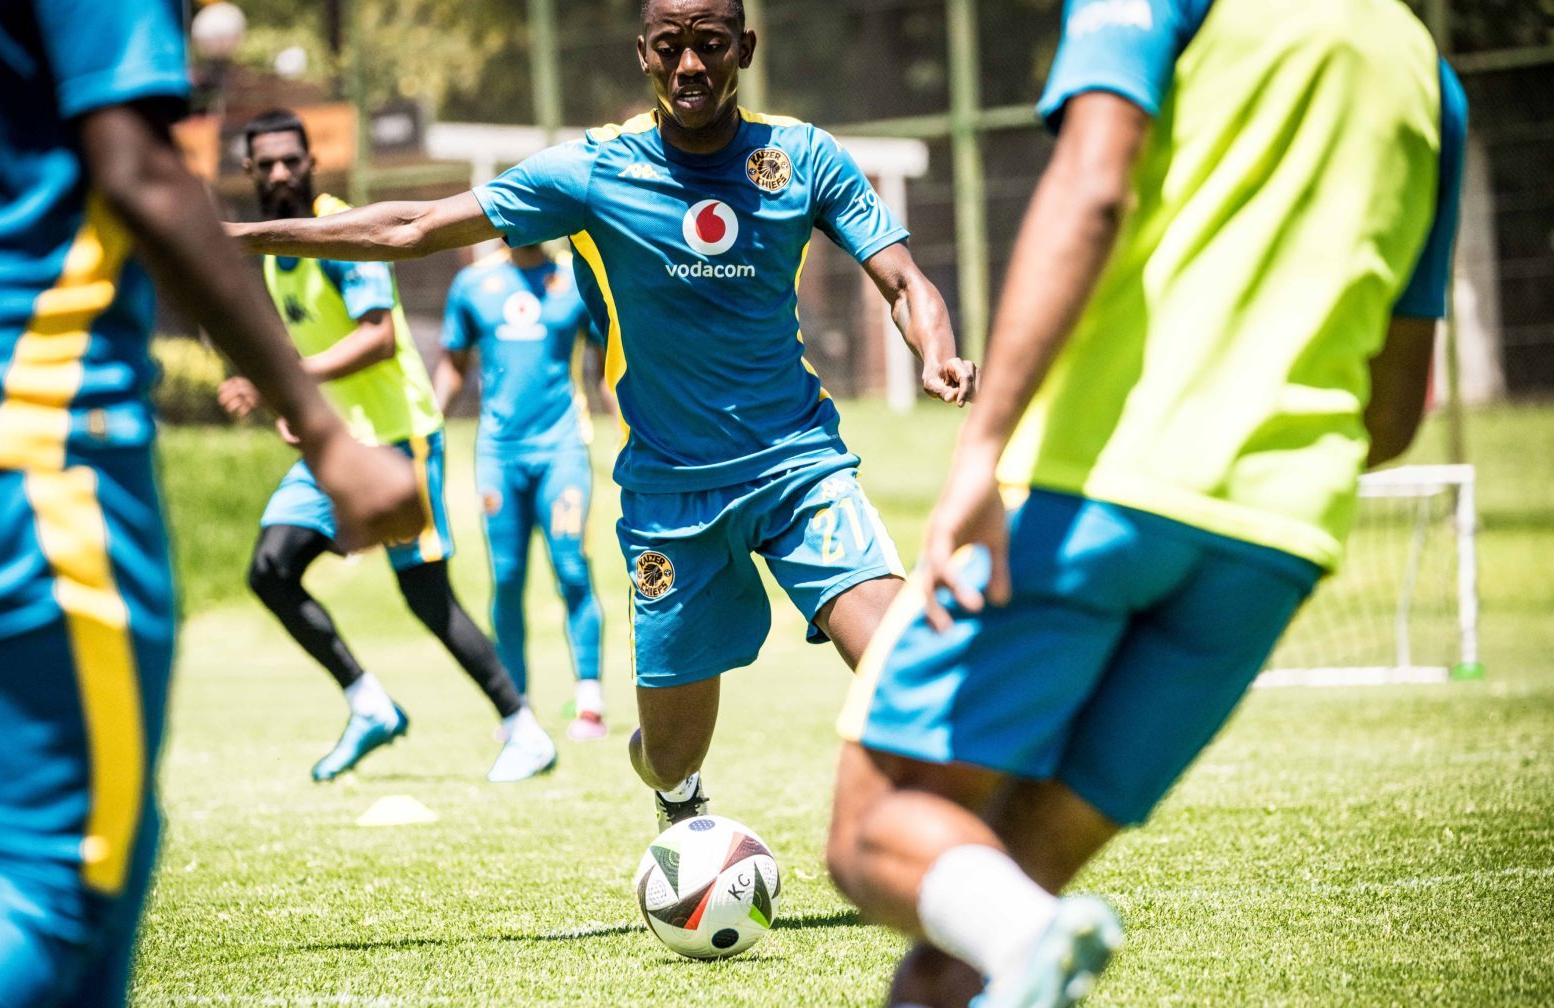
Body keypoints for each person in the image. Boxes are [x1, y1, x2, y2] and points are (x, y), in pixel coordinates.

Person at [823, 0, 1468, 1004]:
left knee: (875, 831)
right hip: (1273, 544)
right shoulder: (1430, 76)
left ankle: (1036, 939)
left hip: (1095, 494)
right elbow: (1391, 409)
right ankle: (1032, 941)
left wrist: (980, 450)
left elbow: (1091, 192)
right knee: (977, 927)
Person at [225, 0, 978, 829]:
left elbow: (903, 281)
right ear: (645, 56)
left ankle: (977, 844)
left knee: (898, 665)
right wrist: (240, 236)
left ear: (745, 49)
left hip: (798, 467)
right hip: (668, 492)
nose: (691, 65)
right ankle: (677, 795)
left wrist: (934, 348)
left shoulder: (801, 156)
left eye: (711, 45)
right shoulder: (593, 171)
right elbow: (413, 226)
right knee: (669, 753)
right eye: (671, 47)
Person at [0, 3, 422, 1005]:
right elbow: (137, 167)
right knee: (56, 883)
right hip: (21, 421)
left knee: (98, 861)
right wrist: (323, 430)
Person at [216, 109, 558, 785]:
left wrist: (285, 382)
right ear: (250, 171)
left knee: (427, 597)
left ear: (314, 162)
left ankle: (523, 727)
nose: (282, 171)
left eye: (294, 159)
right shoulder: (277, 253)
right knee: (270, 570)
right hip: (335, 447)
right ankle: (368, 703)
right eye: (269, 162)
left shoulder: (335, 232)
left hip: (400, 439)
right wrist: (296, 405)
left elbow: (376, 335)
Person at [435, 242, 611, 741]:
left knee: (572, 568)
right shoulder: (473, 284)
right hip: (498, 456)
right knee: (507, 578)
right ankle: (518, 706)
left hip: (562, 452)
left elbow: (607, 373)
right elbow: (453, 365)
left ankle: (590, 705)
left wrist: (632, 439)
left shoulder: (577, 281)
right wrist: (421, 432)